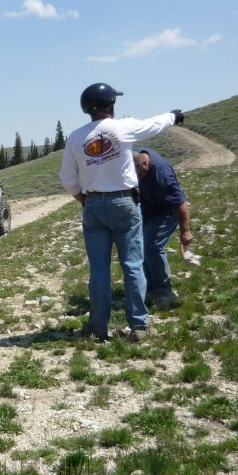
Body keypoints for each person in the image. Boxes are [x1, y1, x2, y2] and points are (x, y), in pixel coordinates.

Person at [59, 83, 183, 343]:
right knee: (132, 265)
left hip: (93, 205)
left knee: (99, 269)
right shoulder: (121, 128)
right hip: (125, 203)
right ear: (112, 105)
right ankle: (139, 326)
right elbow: (154, 125)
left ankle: (97, 327)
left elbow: (68, 179)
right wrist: (173, 116)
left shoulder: (75, 137)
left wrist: (85, 201)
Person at [132, 147, 192, 308]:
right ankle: (150, 287)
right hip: (147, 208)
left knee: (151, 245)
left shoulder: (161, 175)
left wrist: (185, 231)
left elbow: (180, 203)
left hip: (166, 210)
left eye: (139, 176)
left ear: (145, 165)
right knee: (140, 245)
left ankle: (165, 290)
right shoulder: (132, 157)